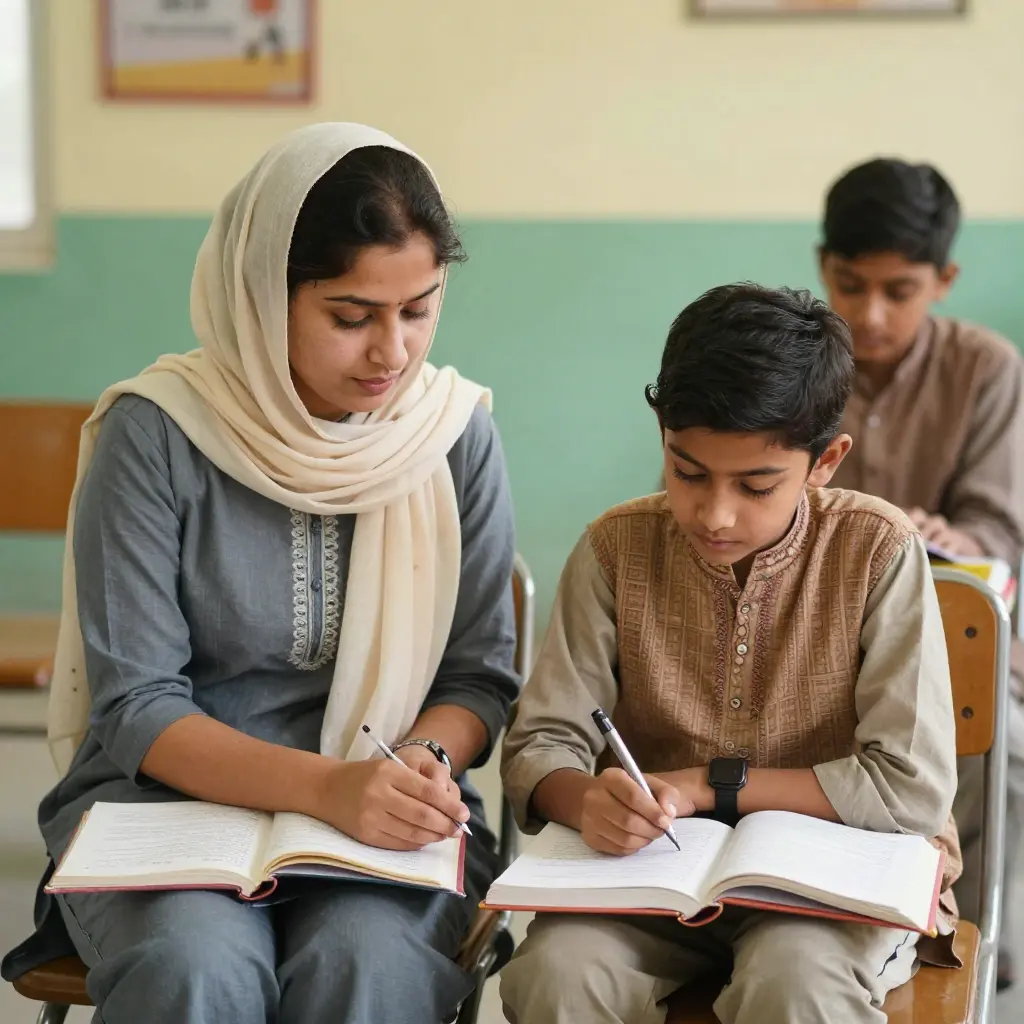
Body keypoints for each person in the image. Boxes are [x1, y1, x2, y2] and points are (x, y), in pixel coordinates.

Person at [12, 123, 520, 1024]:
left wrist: (422, 761)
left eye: (418, 309)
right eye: (351, 317)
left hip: (384, 817)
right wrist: (329, 788)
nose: (393, 352)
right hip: (164, 807)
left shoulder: (450, 434)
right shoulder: (155, 435)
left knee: (365, 963)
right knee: (197, 968)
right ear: (260, 293)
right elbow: (136, 706)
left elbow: (478, 675)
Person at [499, 283, 961, 1024]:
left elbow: (907, 790)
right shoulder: (615, 550)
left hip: (835, 889)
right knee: (556, 972)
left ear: (826, 460)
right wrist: (585, 799)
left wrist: (703, 787)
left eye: (755, 485)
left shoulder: (877, 551)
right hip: (649, 880)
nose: (715, 514)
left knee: (797, 982)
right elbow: (539, 746)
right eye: (687, 473)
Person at [820, 157, 1024, 988]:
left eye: (899, 291)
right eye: (850, 284)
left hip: (950, 640)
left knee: (1002, 743)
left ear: (943, 281)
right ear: (822, 266)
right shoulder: (794, 362)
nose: (870, 313)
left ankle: (965, 940)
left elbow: (999, 535)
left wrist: (946, 536)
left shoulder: (986, 368)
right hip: (809, 640)